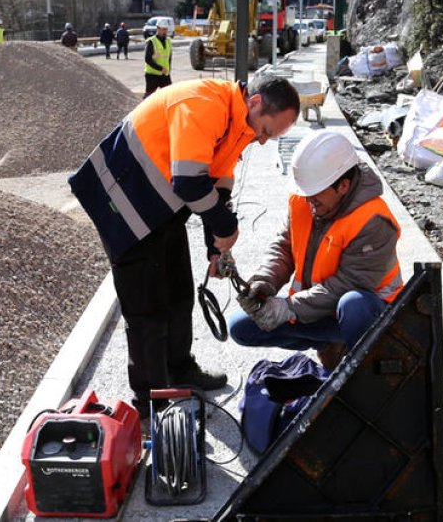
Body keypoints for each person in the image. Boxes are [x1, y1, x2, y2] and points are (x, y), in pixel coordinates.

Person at [69, 75, 302, 420]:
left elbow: (218, 181)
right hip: (122, 202)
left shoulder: (240, 123)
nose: (264, 141)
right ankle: (152, 405)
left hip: (161, 208)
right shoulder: (204, 104)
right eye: (267, 131)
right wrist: (226, 227)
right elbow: (190, 182)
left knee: (179, 294)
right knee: (146, 311)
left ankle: (179, 369)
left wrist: (216, 245)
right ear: (255, 103)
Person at [227, 131, 401, 370]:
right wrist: (266, 280)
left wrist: (288, 308)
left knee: (353, 304)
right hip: (317, 309)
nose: (309, 202)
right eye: (306, 194)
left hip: (368, 315)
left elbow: (348, 284)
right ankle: (331, 345)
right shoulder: (306, 199)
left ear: (343, 186)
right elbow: (285, 247)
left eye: (315, 195)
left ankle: (362, 368)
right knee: (241, 327)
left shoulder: (373, 221)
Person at [143, 22, 172, 97]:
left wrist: (168, 70)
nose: (165, 31)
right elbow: (147, 59)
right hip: (152, 75)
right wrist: (160, 68)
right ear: (158, 29)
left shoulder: (168, 41)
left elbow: (169, 57)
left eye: (166, 29)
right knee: (149, 98)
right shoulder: (152, 41)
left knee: (169, 96)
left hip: (165, 75)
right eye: (163, 29)